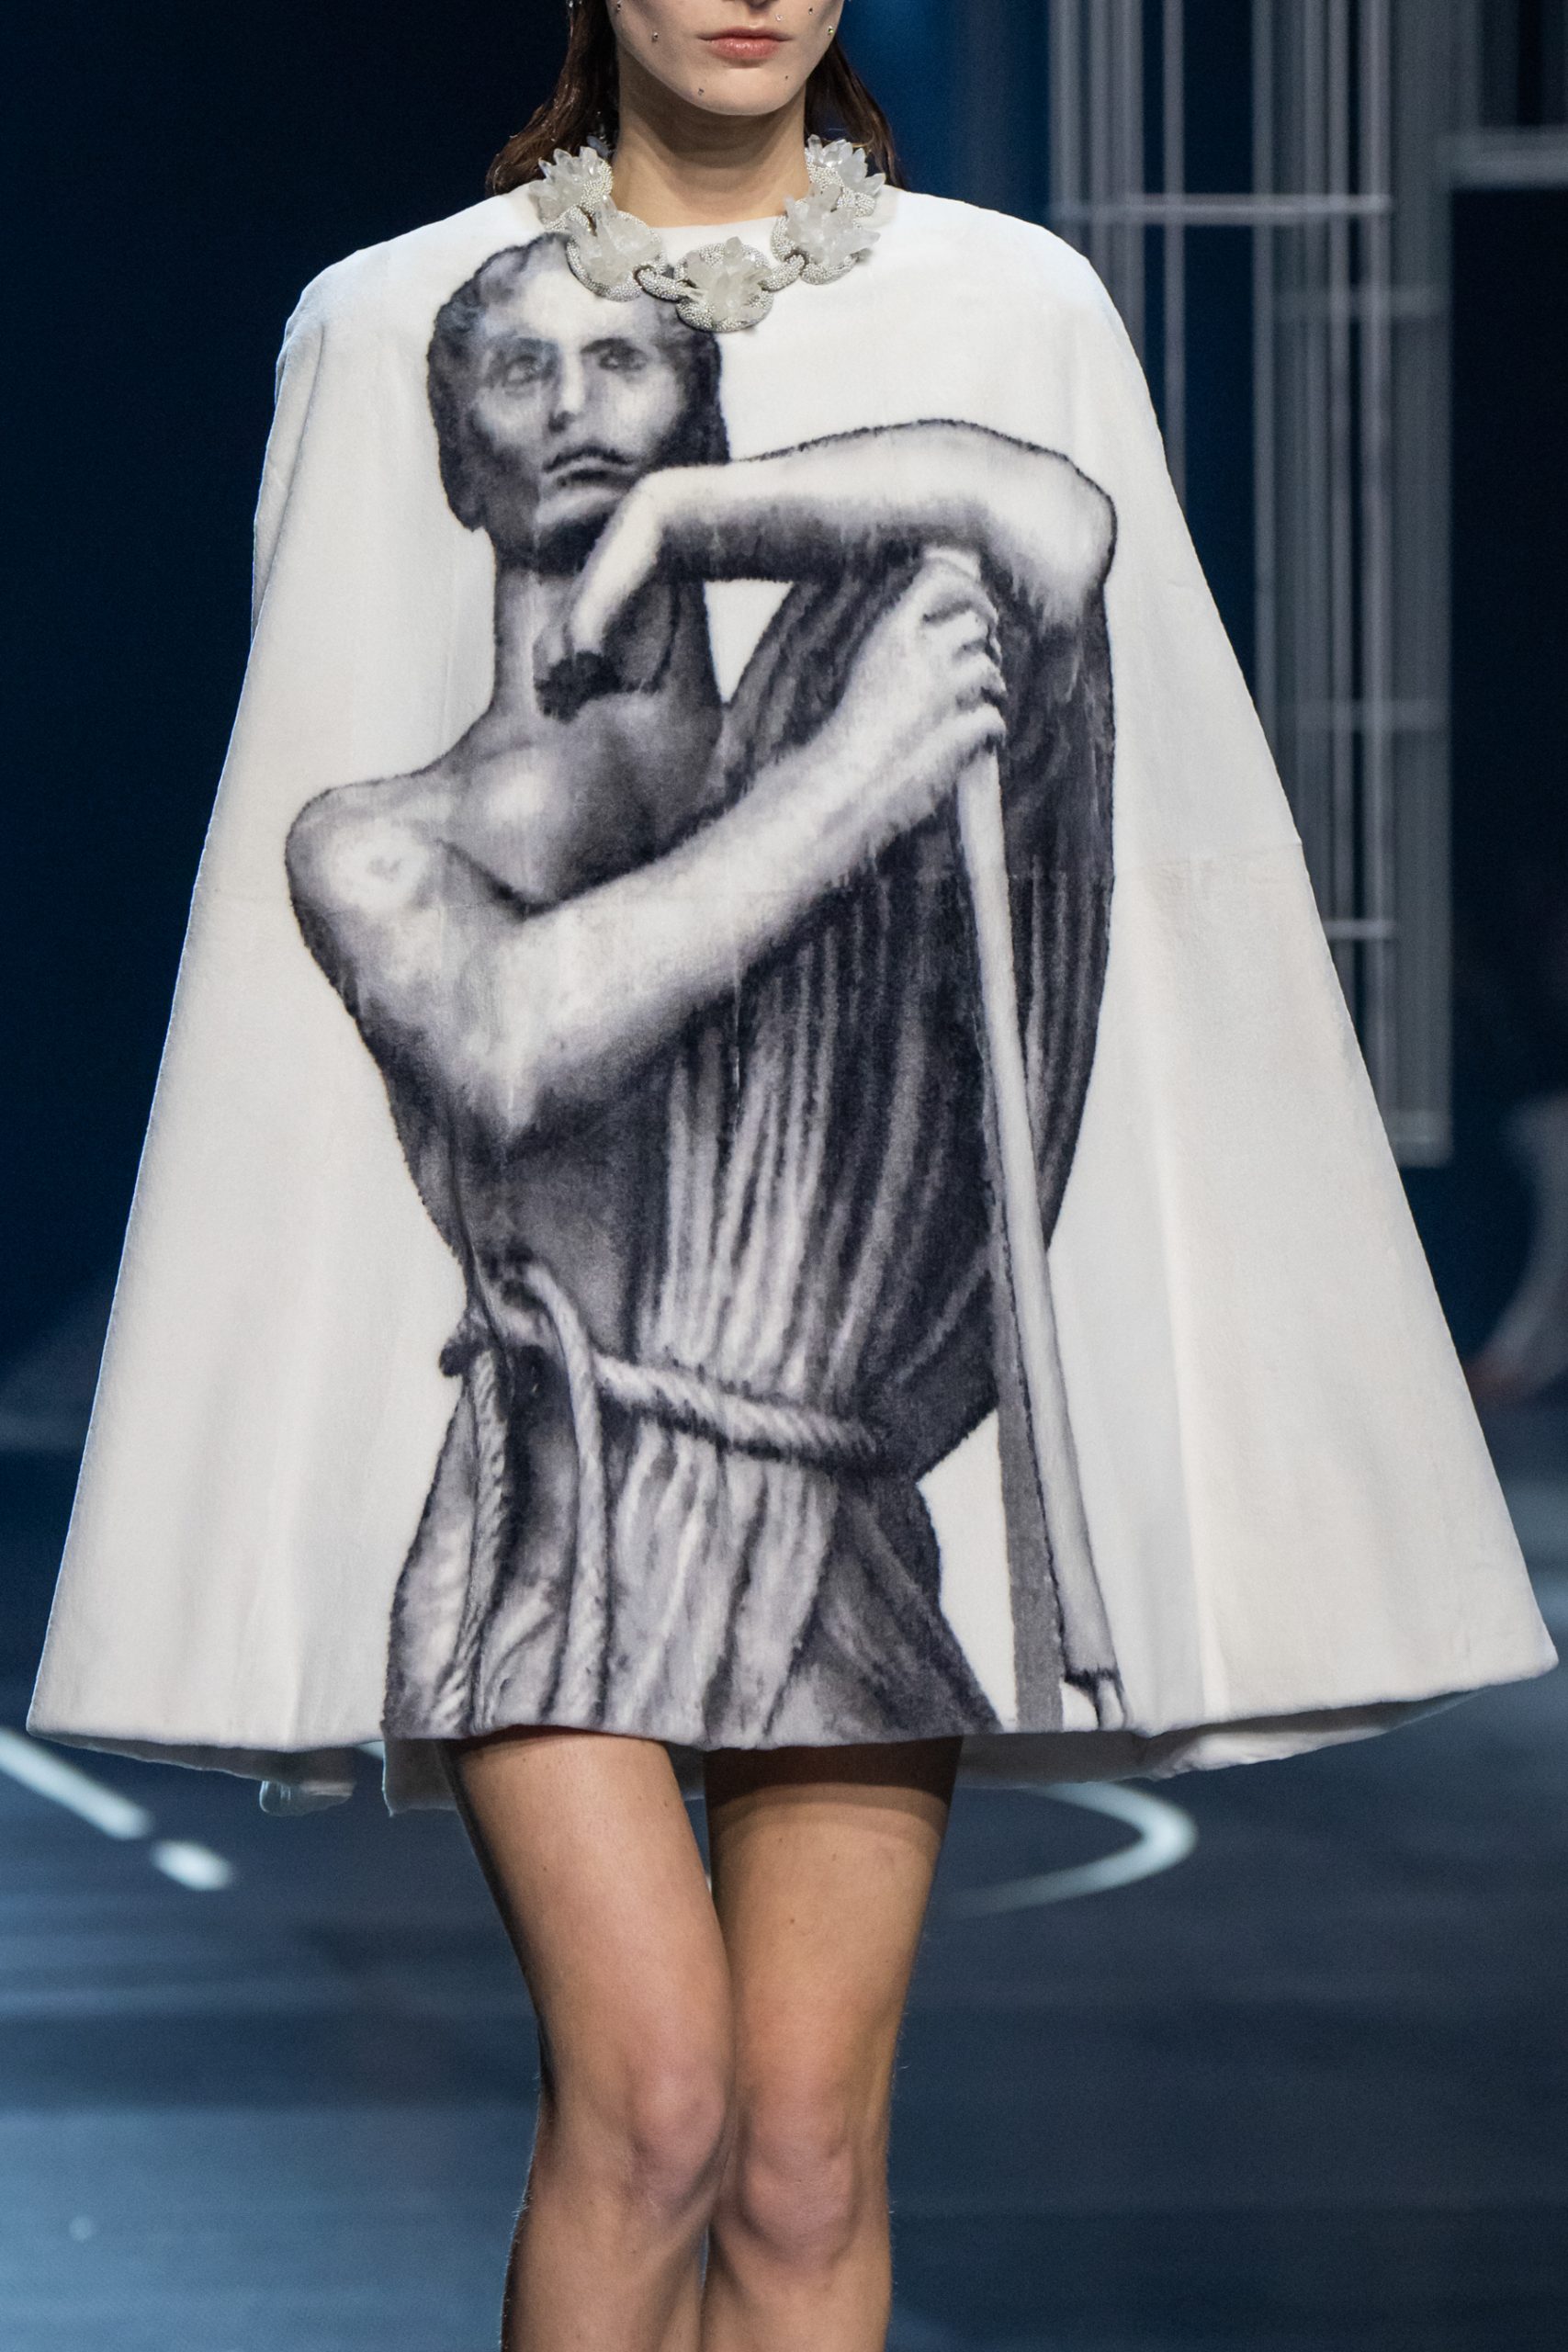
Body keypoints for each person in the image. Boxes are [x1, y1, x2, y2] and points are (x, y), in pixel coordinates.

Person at [28, 5, 1557, 2348]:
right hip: (550, 1478)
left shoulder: (1005, 305)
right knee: (647, 2104)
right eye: (520, 377)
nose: (569, 408)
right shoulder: (375, 471)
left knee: (805, 2151)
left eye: (620, 378)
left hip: (837, 1480)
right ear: (449, 441)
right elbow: (507, 1043)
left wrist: (695, 532)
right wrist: (855, 780)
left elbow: (1046, 536)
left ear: (708, 420)